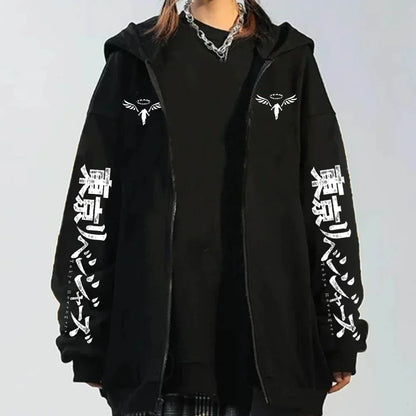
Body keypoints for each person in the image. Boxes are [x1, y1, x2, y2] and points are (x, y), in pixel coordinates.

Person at [50, 1, 369, 415]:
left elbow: (327, 198)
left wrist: (340, 333)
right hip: (157, 367)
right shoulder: (135, 60)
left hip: (271, 367)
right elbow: (94, 194)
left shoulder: (290, 61)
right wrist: (85, 336)